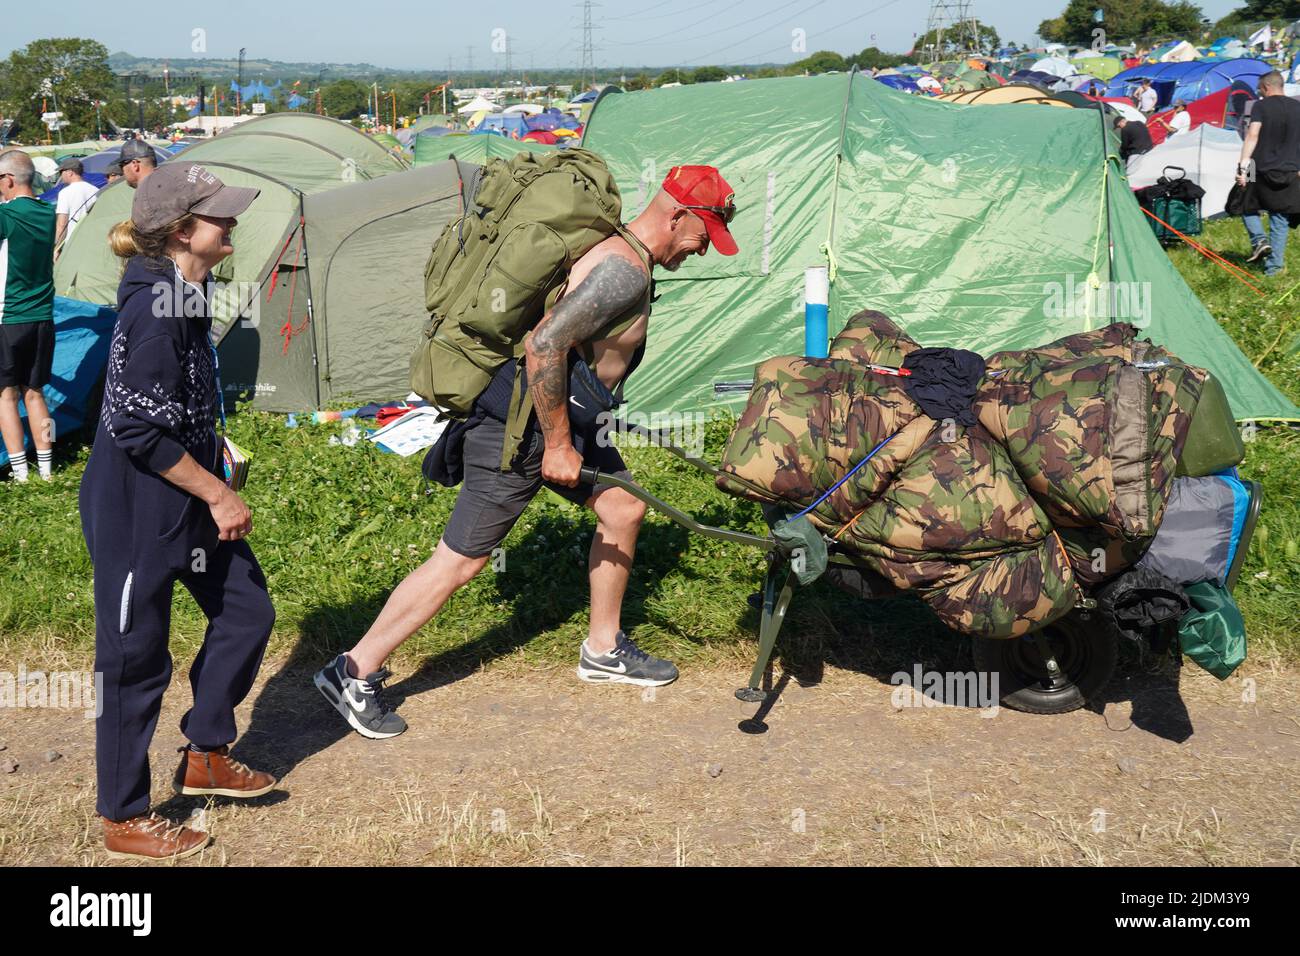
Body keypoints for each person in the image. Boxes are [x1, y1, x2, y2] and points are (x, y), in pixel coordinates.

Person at [313, 165, 741, 739]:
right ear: (677, 214)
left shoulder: (621, 255)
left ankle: (603, 647)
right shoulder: (622, 271)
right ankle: (352, 670)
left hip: (561, 415)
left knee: (623, 509)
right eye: (702, 235)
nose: (702, 250)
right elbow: (543, 346)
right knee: (461, 559)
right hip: (526, 427)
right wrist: (559, 445)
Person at [80, 161, 277, 860]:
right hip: (138, 505)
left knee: (248, 611)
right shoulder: (153, 307)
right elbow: (135, 430)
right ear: (181, 231)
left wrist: (212, 445)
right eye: (219, 215)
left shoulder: (186, 290)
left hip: (184, 489)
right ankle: (124, 816)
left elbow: (173, 401)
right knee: (134, 660)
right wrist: (219, 491)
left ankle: (205, 752)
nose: (232, 223)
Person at [0, 149, 56, 482]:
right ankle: (47, 470)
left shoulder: (7, 215)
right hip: (43, 317)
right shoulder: (47, 212)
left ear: (7, 179)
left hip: (9, 318)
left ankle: (21, 473)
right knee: (35, 394)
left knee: (6, 396)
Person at [1238, 70, 1300, 275]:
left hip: (1258, 167)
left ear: (1266, 87)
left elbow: (1252, 135)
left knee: (1243, 203)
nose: (1259, 92)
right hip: (1290, 168)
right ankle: (1274, 268)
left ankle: (1259, 240)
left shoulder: (1260, 106)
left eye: (1259, 89)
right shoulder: (1298, 107)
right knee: (1280, 218)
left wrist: (1242, 167)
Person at [53, 157, 99, 250]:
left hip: (72, 244)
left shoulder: (65, 193)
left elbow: (62, 224)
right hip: (94, 241)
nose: (60, 176)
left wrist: (56, 248)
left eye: (61, 172)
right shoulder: (96, 190)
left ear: (70, 172)